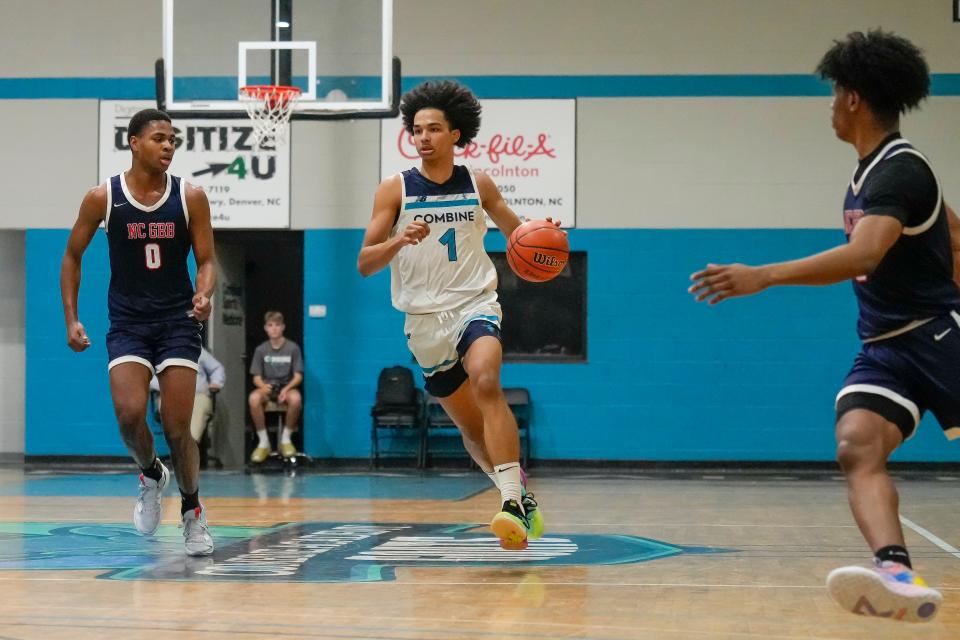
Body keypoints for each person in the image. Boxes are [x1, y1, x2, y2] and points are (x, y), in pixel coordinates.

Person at [689, 30, 954, 622]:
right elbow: (954, 234)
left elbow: (864, 256)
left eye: (834, 92)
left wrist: (764, 275)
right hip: (887, 349)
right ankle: (897, 574)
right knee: (856, 442)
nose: (830, 105)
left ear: (854, 98)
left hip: (939, 335)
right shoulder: (874, 175)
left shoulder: (900, 170)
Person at [357, 80, 550, 550]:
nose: (423, 137)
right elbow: (365, 262)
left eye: (434, 129)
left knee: (486, 379)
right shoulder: (395, 189)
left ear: (455, 134)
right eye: (417, 130)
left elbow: (516, 231)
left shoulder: (477, 183)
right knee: (469, 427)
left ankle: (507, 502)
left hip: (474, 302)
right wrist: (399, 240)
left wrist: (544, 235)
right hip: (423, 320)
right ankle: (522, 498)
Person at [60, 108, 216, 556]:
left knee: (176, 426)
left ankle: (192, 510)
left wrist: (203, 293)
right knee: (130, 416)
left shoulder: (190, 196)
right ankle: (151, 473)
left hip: (177, 322)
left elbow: (206, 260)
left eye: (174, 140)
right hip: (128, 321)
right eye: (160, 138)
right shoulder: (102, 197)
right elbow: (72, 256)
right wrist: (71, 318)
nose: (168, 146)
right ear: (134, 142)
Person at [248, 310, 303, 462]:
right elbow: (256, 377)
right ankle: (263, 442)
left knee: (296, 399)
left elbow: (298, 375)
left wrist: (286, 389)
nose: (274, 328)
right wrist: (263, 386)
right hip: (268, 387)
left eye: (277, 325)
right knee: (254, 398)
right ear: (266, 328)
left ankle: (286, 439)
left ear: (283, 327)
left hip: (287, 386)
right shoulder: (261, 349)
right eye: (270, 325)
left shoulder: (293, 348)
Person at [150, 346, 225, 444]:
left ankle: (189, 445)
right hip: (170, 395)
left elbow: (217, 368)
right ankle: (180, 447)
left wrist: (216, 382)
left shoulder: (196, 348)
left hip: (198, 394)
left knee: (200, 407)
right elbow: (150, 378)